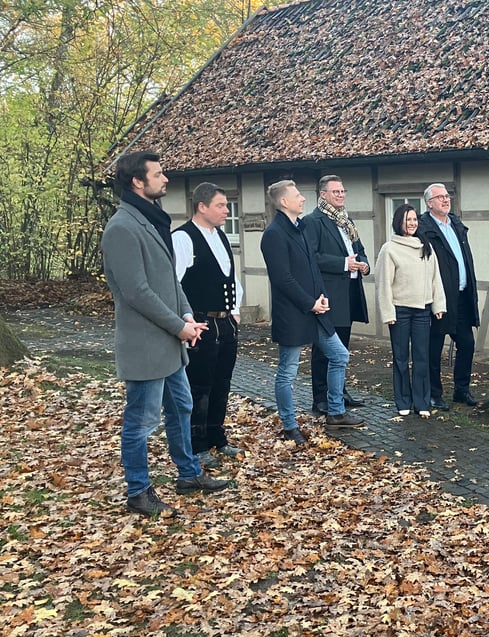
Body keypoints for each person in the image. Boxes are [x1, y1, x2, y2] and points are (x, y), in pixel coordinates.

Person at [101, 151, 230, 516]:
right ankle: (138, 492)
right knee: (140, 421)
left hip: (171, 344)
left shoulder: (152, 221)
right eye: (158, 174)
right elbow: (136, 292)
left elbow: (169, 282)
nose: (166, 179)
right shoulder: (122, 227)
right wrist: (179, 326)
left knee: (181, 407)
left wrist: (186, 314)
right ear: (137, 182)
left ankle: (188, 474)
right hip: (146, 345)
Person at [260, 180, 365, 444]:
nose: (303, 199)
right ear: (284, 202)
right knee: (288, 371)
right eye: (297, 196)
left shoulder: (302, 228)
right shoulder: (274, 234)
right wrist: (309, 303)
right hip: (294, 313)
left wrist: (322, 297)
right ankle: (289, 424)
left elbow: (313, 269)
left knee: (339, 355)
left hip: (316, 309)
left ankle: (336, 412)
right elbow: (282, 279)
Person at [172, 182, 245, 470]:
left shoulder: (221, 236)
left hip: (225, 323)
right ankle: (197, 443)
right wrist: (183, 322)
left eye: (226, 205)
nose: (227, 211)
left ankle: (217, 435)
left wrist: (235, 311)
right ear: (202, 207)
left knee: (222, 382)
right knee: (199, 386)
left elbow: (230, 278)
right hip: (200, 323)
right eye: (221, 205)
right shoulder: (182, 238)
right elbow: (173, 285)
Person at [304, 175, 370, 414]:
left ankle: (339, 393)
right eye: (336, 192)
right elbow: (313, 257)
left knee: (342, 346)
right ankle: (320, 398)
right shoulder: (314, 221)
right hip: (329, 295)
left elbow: (359, 251)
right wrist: (344, 263)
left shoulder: (346, 221)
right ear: (323, 195)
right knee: (324, 350)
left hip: (350, 291)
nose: (341, 195)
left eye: (343, 191)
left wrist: (363, 264)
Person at [376, 204, 446, 418]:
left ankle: (422, 402)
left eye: (415, 219)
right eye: (408, 220)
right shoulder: (390, 249)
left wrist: (438, 305)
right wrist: (388, 313)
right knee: (400, 357)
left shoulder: (426, 246)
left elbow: (436, 277)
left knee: (422, 356)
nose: (413, 223)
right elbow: (383, 284)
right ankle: (403, 400)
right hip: (400, 310)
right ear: (399, 222)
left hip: (422, 310)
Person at [417, 183, 480, 411]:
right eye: (440, 197)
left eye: (447, 195)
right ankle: (434, 393)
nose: (446, 200)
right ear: (429, 203)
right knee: (434, 348)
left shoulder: (456, 224)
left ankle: (461, 389)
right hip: (438, 299)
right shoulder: (423, 229)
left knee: (467, 344)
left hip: (461, 296)